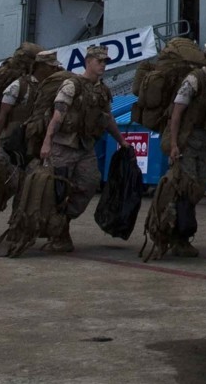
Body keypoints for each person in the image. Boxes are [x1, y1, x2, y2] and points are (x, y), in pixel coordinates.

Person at [37, 42, 137, 253]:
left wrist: (121, 141)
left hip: (85, 147)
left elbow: (107, 118)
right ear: (88, 62)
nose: (103, 65)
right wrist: (47, 142)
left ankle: (62, 221)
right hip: (63, 146)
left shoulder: (102, 90)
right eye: (99, 61)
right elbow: (57, 117)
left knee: (90, 183)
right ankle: (58, 234)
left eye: (105, 62)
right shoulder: (71, 85)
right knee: (58, 190)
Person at [162, 38, 206, 257]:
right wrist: (174, 145)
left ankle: (180, 234)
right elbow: (177, 113)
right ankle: (173, 235)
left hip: (205, 144)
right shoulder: (193, 81)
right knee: (185, 188)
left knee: (197, 189)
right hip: (187, 143)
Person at [0, 48, 61, 178]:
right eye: (51, 67)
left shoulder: (50, 88)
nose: (55, 70)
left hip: (32, 142)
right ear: (41, 66)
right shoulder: (19, 86)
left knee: (26, 182)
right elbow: (2, 116)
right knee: (6, 180)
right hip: (11, 142)